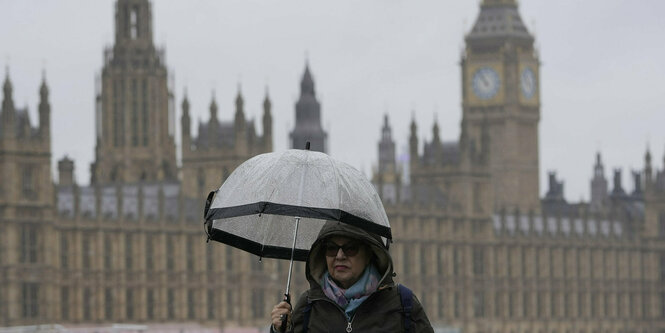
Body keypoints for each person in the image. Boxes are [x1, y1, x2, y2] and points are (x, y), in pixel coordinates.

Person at [270, 220, 434, 332]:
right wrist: (279, 331)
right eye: (331, 248)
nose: (339, 256)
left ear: (369, 253)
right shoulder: (308, 305)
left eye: (350, 248)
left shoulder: (402, 304)